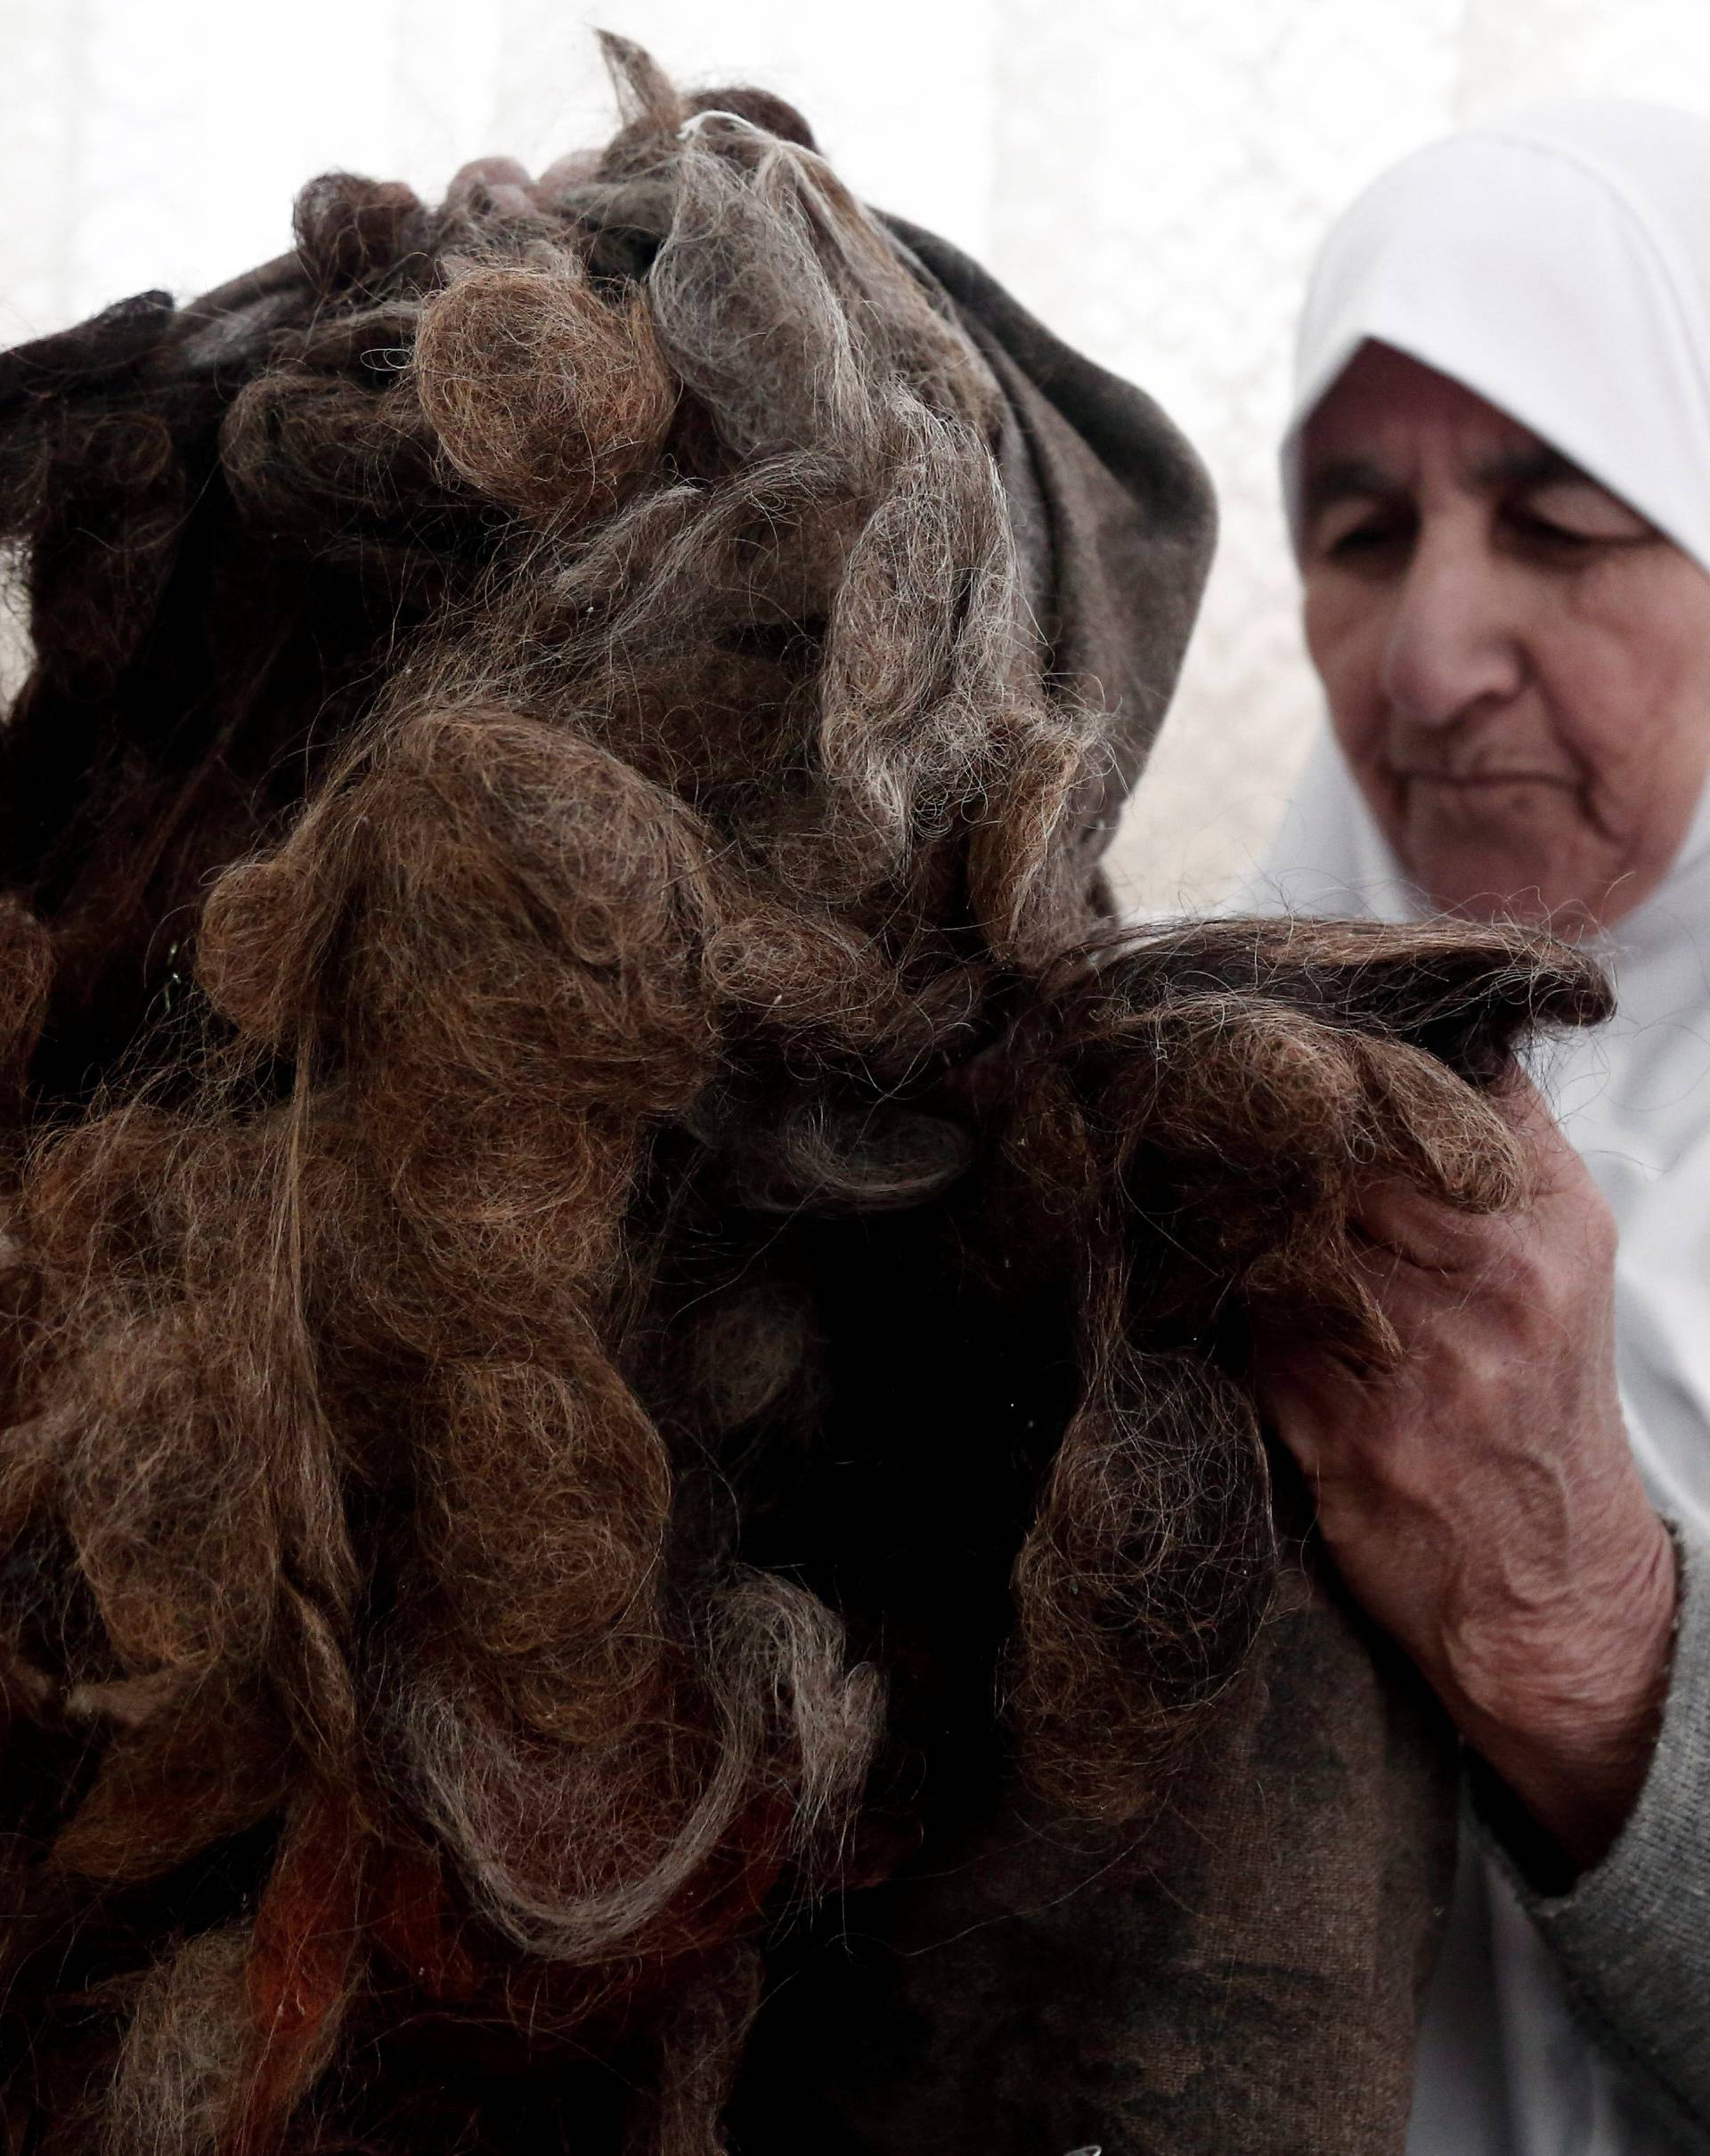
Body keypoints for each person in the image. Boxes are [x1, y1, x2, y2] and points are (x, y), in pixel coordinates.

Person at [1259, 99, 1710, 2153]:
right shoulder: (1205, 1132)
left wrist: (1589, 1634)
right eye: (1361, 537)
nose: (1428, 664)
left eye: (1562, 518)